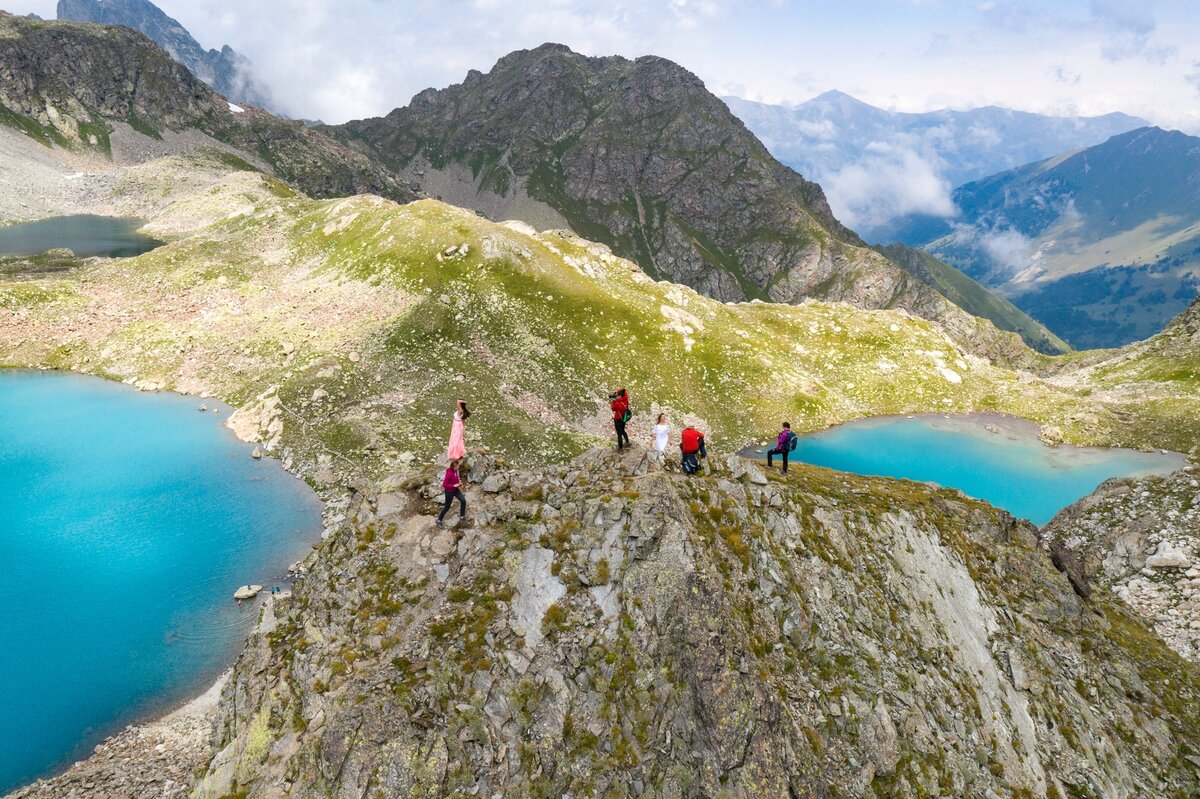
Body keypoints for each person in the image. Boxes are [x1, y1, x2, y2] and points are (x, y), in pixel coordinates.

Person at [437, 457, 467, 528]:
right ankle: (439, 520)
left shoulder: (456, 471)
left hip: (456, 490)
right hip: (449, 492)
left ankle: (462, 516)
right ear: (454, 467)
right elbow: (444, 484)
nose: (459, 467)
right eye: (457, 466)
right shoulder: (449, 473)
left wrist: (459, 483)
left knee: (463, 500)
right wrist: (454, 485)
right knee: (447, 507)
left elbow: (456, 478)